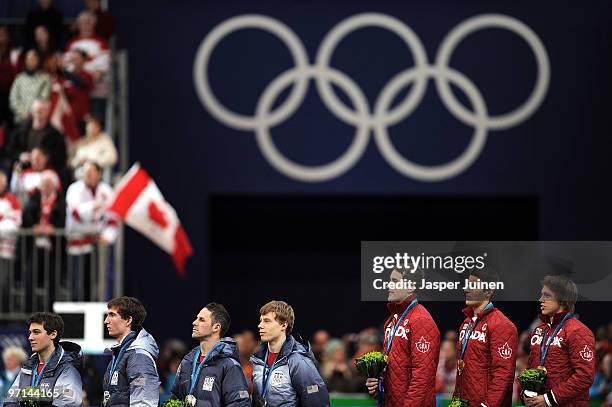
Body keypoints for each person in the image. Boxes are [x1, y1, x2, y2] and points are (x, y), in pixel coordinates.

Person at [366, 268, 440, 406]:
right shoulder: (392, 320)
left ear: (410, 287)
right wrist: (379, 382)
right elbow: (395, 367)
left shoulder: (421, 321)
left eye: (394, 281)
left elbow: (422, 376)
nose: (389, 285)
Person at [523, 275, 596, 407]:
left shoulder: (579, 332)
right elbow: (531, 368)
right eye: (541, 295)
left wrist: (549, 399)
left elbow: (584, 376)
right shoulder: (539, 331)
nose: (540, 300)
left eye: (547, 295)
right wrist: (527, 391)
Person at [452, 270, 518, 407]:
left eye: (472, 285)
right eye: (466, 284)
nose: (466, 289)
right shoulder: (466, 323)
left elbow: (504, 373)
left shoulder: (502, 325)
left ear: (488, 291)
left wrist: (487, 405)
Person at [251, 300, 330, 407]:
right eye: (260, 321)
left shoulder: (299, 361)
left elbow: (317, 403)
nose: (260, 325)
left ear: (284, 325)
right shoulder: (258, 360)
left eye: (267, 321)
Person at [171, 303, 250, 406]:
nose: (194, 322)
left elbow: (239, 404)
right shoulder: (187, 361)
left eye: (201, 320)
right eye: (196, 318)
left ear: (216, 327)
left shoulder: (229, 365)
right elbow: (175, 397)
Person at [5, 312, 82, 406]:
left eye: (36, 332)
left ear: (53, 334)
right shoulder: (27, 367)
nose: (30, 337)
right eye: (30, 332)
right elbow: (10, 401)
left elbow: (66, 404)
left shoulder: (67, 368)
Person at [65, 161, 117, 300]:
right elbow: (75, 213)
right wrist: (93, 206)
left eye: (91, 171)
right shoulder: (74, 189)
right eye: (85, 171)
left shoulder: (106, 190)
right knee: (78, 283)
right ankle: (77, 318)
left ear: (99, 173)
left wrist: (108, 235)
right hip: (78, 243)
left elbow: (112, 218)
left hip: (98, 244)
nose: (87, 174)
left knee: (96, 283)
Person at [102, 296, 160, 407]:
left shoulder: (139, 356)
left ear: (128, 320)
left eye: (112, 315)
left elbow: (144, 402)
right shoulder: (122, 353)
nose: (106, 321)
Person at [9, 99, 66, 172]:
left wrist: (45, 158)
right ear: (32, 112)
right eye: (36, 111)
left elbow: (61, 158)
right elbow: (9, 150)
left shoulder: (55, 135)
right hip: (24, 167)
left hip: (46, 171)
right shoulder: (21, 130)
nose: (38, 114)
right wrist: (20, 155)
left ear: (47, 112)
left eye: (41, 111)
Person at [8, 50, 51, 125]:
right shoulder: (19, 78)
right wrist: (22, 112)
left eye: (33, 59)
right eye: (28, 59)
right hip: (19, 120)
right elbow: (13, 99)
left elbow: (43, 98)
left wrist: (31, 114)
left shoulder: (45, 78)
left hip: (37, 120)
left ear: (38, 61)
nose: (30, 61)